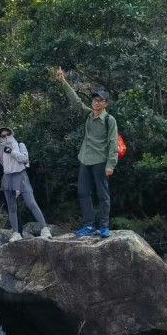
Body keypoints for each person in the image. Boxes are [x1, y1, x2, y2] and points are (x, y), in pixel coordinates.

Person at [53, 67, 118, 238]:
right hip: (85, 160)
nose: (96, 102)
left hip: (100, 161)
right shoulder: (88, 115)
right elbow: (75, 102)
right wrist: (63, 82)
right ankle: (89, 225)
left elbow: (113, 143)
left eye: (100, 100)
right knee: (83, 193)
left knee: (103, 195)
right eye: (94, 100)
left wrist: (111, 164)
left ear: (106, 104)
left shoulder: (109, 120)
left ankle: (104, 226)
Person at [0, 114, 52, 241]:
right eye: (2, 135)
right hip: (8, 177)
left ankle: (44, 228)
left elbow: (25, 159)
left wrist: (12, 151)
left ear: (11, 134)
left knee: (31, 203)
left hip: (20, 175)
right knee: (11, 207)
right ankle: (16, 233)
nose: (5, 137)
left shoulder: (20, 145)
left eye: (7, 134)